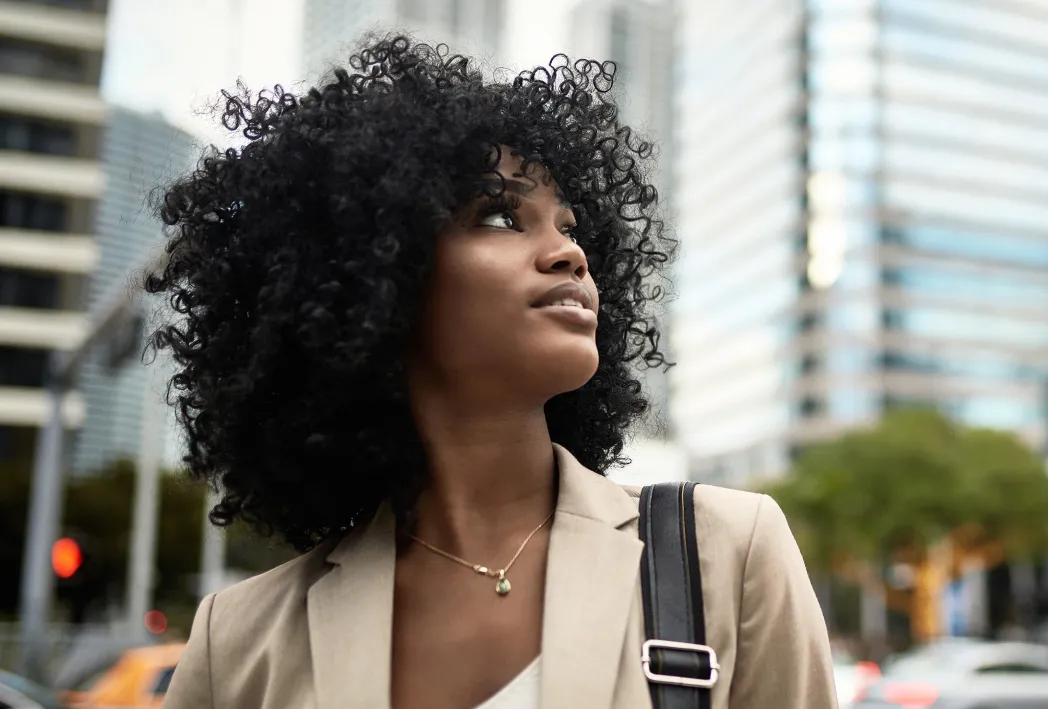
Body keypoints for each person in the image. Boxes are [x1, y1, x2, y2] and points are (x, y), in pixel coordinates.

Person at [154, 35, 836, 709]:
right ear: (375, 274)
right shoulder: (237, 646)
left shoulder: (722, 554)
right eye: (502, 215)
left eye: (570, 227)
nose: (569, 253)